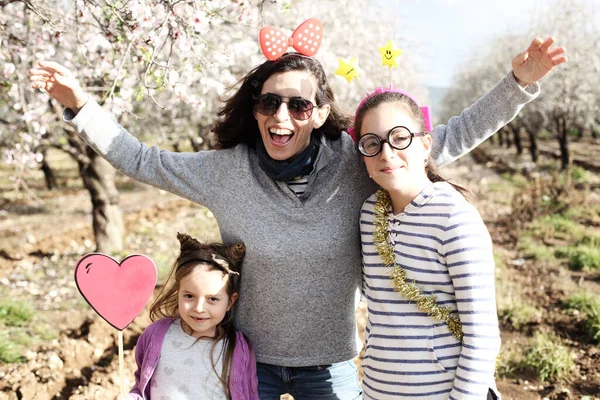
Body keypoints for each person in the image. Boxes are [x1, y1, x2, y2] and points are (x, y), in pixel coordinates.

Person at [30, 34, 565, 399]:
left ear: (323, 113)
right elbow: (142, 158)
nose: (281, 117)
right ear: (254, 108)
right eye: (269, 103)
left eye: (299, 106)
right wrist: (81, 107)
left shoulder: (359, 163)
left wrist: (517, 85)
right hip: (246, 361)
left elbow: (444, 138)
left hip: (333, 365)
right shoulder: (225, 172)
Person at [355, 89, 501, 399]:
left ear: (425, 145)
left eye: (399, 138)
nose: (387, 153)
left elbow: (482, 335)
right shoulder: (368, 214)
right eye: (372, 143)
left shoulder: (454, 218)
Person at [116, 233, 259, 400]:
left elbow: (248, 395)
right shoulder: (156, 335)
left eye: (212, 299)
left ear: (230, 301)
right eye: (189, 296)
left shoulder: (237, 349)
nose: (199, 308)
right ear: (178, 292)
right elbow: (141, 389)